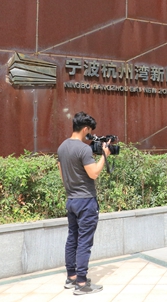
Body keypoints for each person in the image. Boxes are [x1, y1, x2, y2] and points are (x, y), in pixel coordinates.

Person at [58, 112, 110, 295]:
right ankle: (81, 283)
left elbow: (62, 174)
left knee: (72, 238)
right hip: (86, 201)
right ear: (86, 129)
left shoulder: (62, 147)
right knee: (84, 242)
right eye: (90, 130)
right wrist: (104, 155)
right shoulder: (83, 149)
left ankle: (71, 276)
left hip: (71, 199)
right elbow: (93, 173)